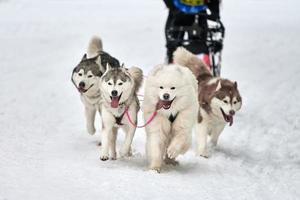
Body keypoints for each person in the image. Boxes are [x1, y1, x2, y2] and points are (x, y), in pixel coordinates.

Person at [163, 0, 222, 67]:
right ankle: (172, 63)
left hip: (199, 12)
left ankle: (203, 66)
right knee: (173, 46)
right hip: (178, 10)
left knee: (201, 45)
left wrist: (215, 12)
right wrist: (172, 7)